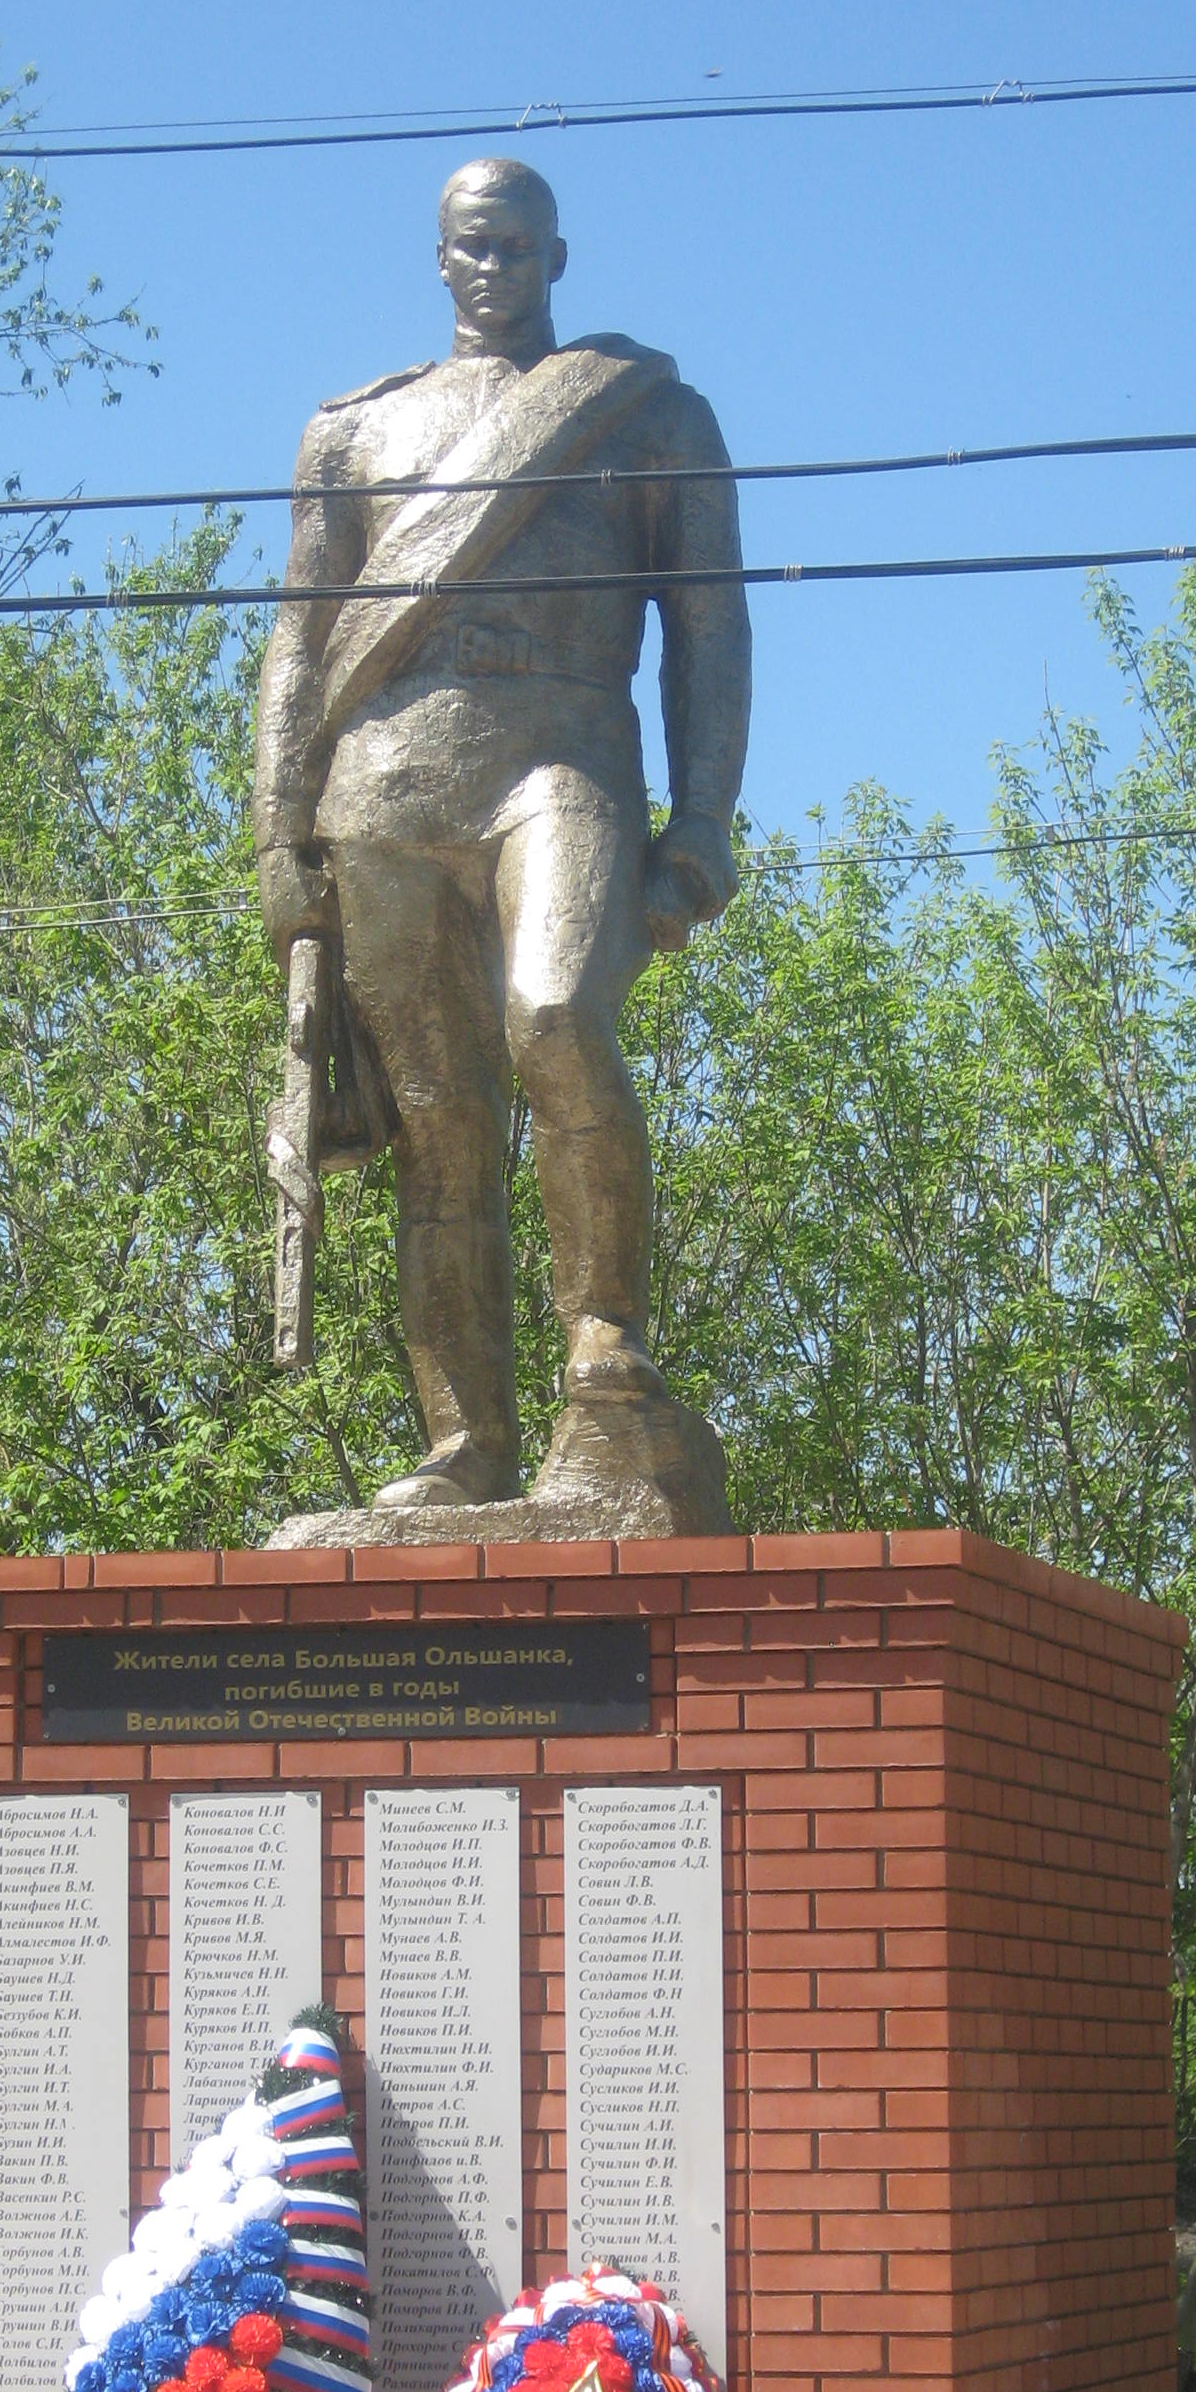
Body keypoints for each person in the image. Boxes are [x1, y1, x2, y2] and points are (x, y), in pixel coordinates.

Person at [254, 157, 752, 1514]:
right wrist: (278, 844)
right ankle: (465, 1445)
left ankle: (606, 1347)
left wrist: (701, 822)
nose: (496, 268)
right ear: (439, 256)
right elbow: (300, 642)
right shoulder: (353, 432)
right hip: (386, 788)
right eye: (474, 245)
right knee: (437, 1125)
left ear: (557, 257)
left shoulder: (647, 415)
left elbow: (706, 631)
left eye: (519, 247)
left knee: (553, 1020)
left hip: (563, 761)